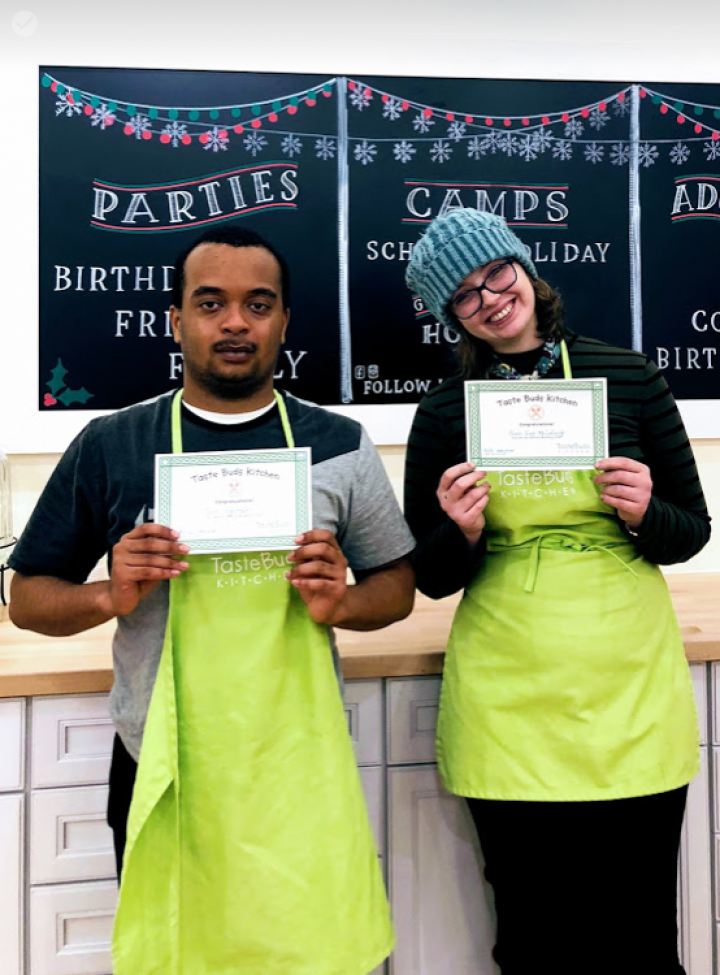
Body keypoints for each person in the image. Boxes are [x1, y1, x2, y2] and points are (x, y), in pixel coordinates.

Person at [9, 225, 415, 975]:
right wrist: (109, 591)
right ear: (176, 319)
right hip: (160, 767)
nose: (235, 321)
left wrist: (342, 603)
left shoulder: (339, 443)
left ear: (284, 321)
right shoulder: (113, 444)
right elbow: (27, 597)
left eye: (258, 304)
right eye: (211, 303)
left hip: (296, 767)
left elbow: (396, 585)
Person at [403, 208, 711, 975]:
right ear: (453, 317)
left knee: (639, 932)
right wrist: (461, 530)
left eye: (496, 274)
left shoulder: (629, 376)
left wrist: (645, 508)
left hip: (625, 687)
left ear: (524, 267)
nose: (490, 298)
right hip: (510, 697)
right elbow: (429, 575)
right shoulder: (445, 412)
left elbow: (692, 527)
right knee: (535, 932)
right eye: (465, 295)